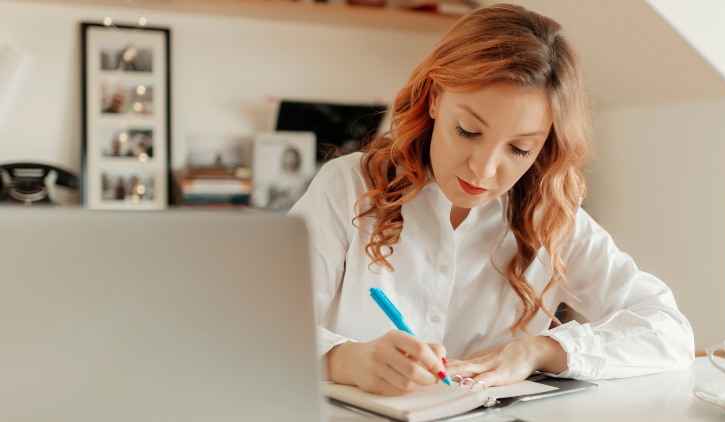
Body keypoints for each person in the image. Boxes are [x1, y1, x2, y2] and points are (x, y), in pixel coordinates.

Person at [288, 4, 694, 397]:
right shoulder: (348, 188)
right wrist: (347, 360)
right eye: (467, 130)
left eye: (519, 149)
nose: (483, 170)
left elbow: (669, 331)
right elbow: (257, 325)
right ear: (433, 98)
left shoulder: (549, 217)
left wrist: (540, 350)